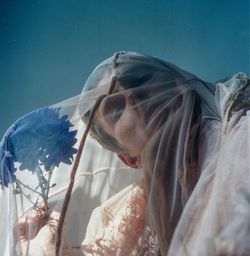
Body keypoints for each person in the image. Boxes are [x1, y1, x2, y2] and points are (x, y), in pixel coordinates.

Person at [0, 51, 249, 255]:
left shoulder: (240, 128)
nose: (133, 98)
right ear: (128, 158)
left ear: (176, 83)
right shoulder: (125, 222)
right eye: (116, 109)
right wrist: (49, 244)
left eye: (139, 82)